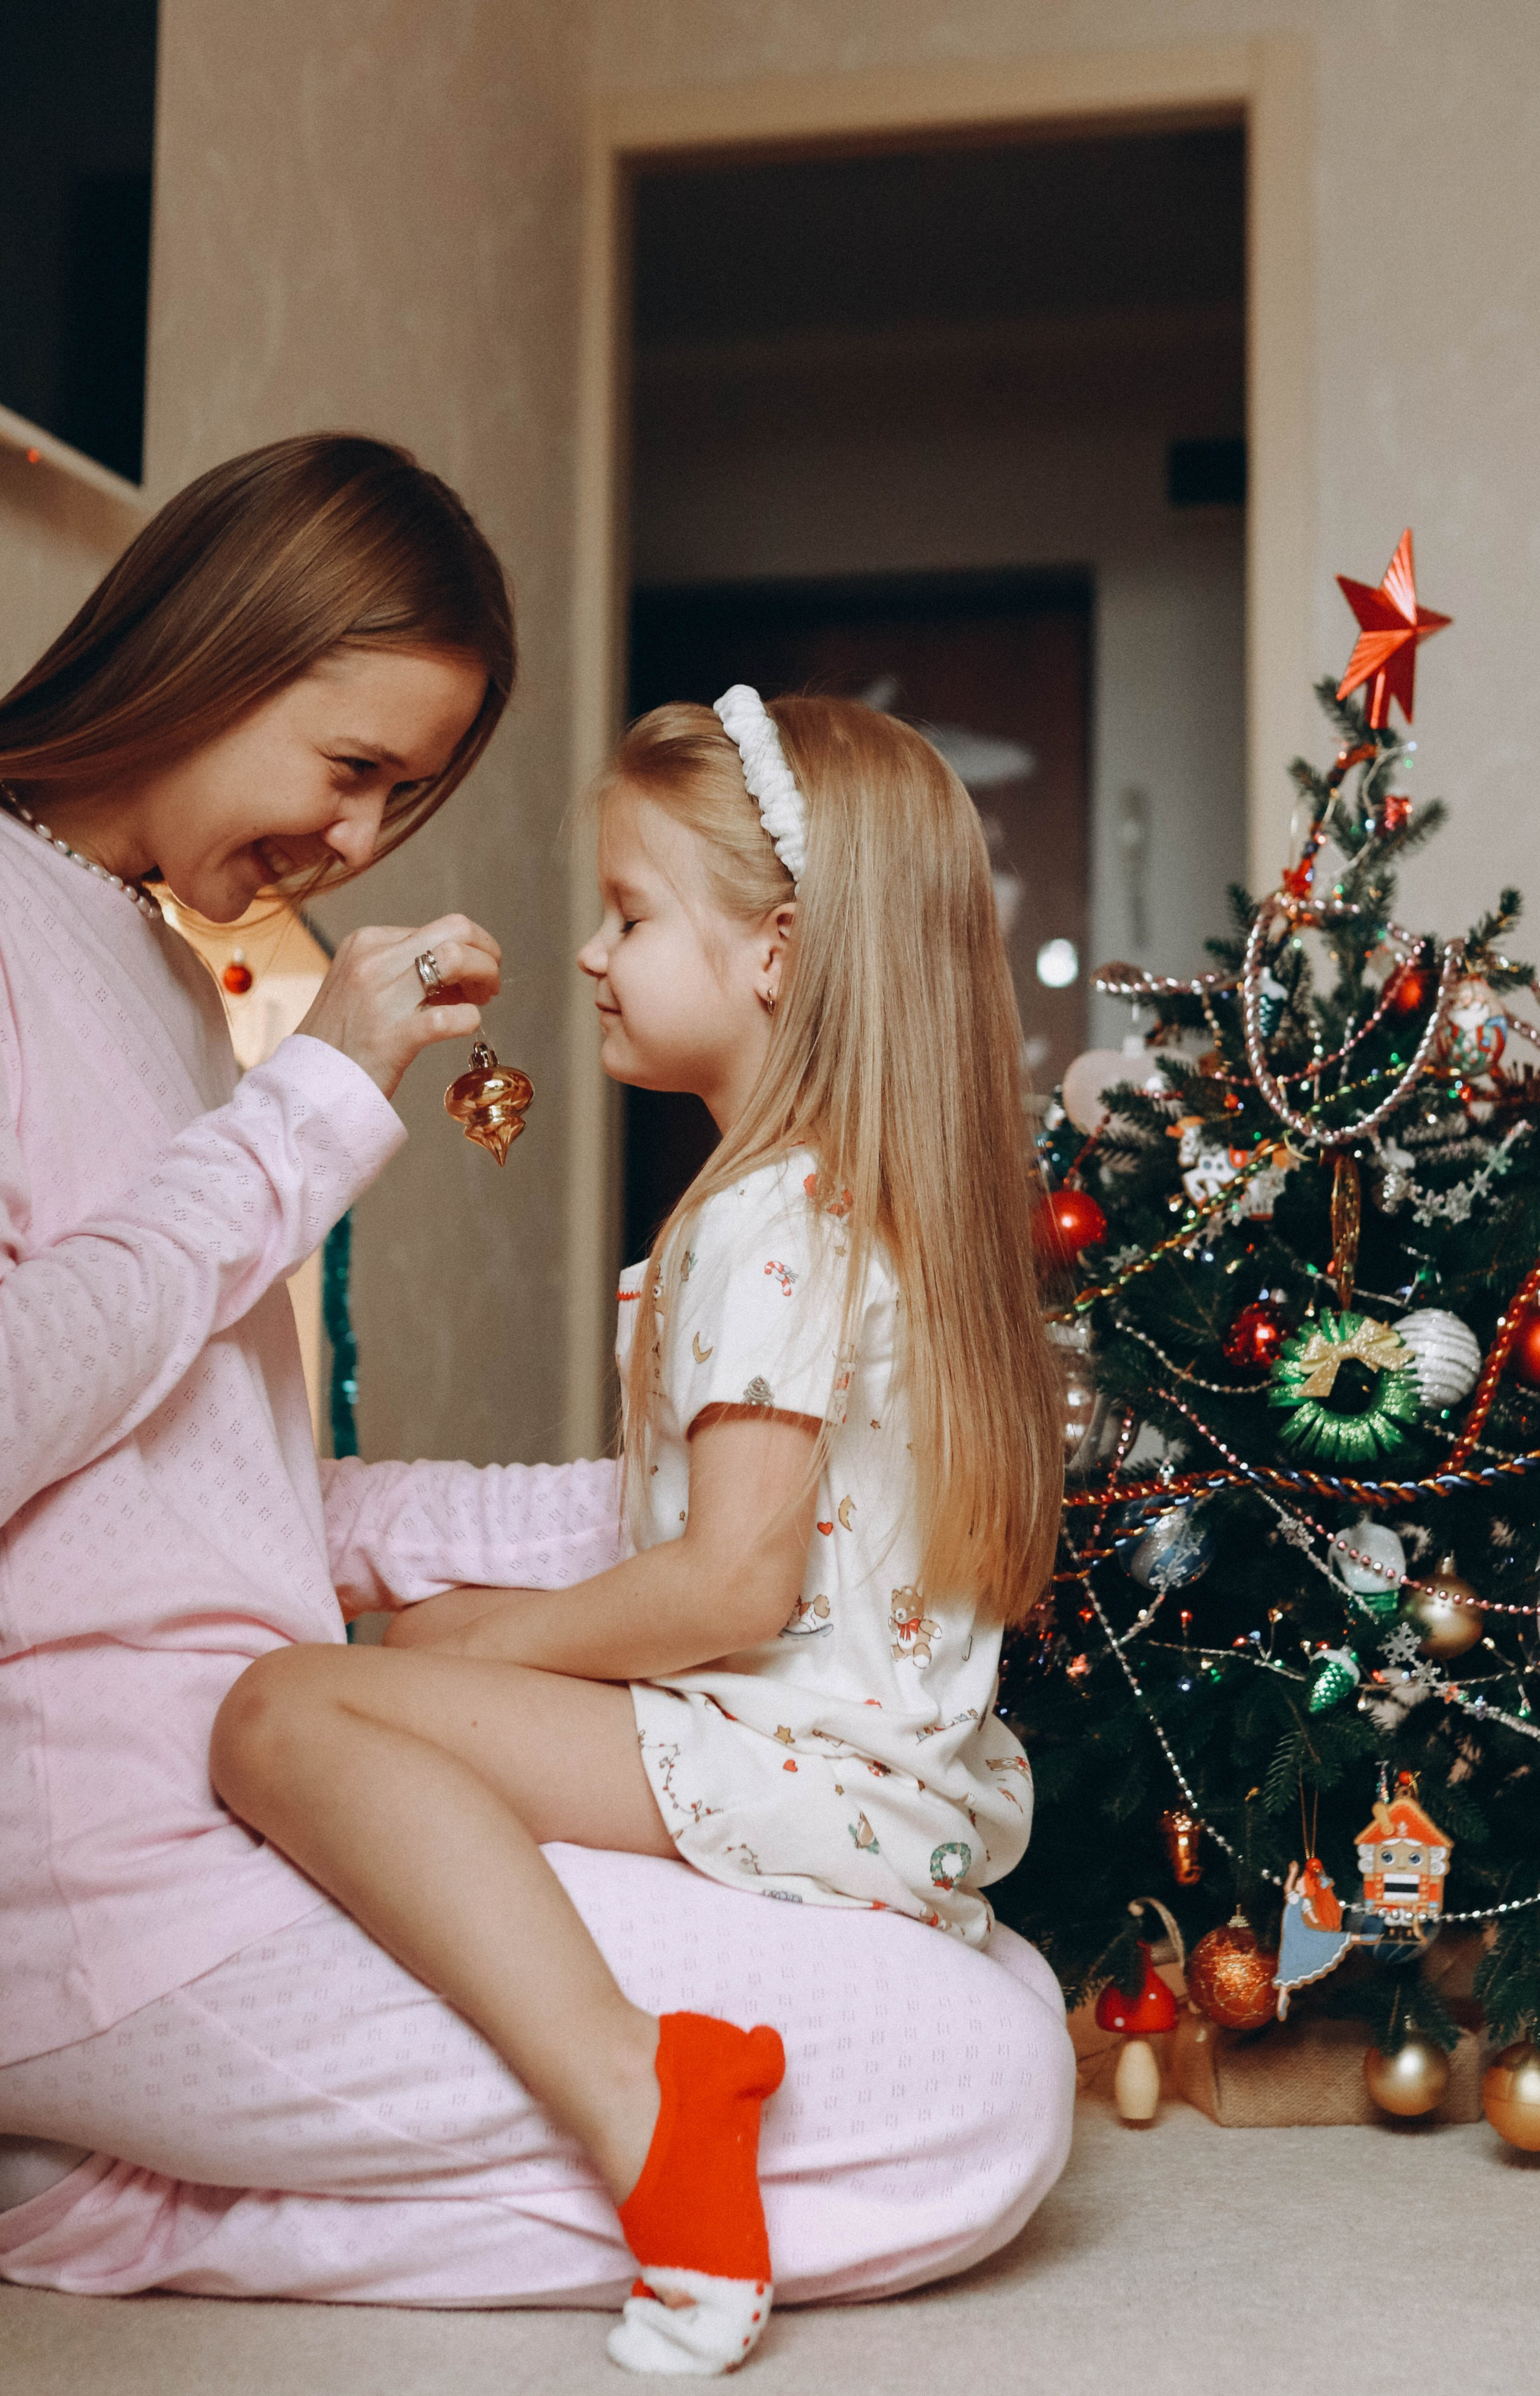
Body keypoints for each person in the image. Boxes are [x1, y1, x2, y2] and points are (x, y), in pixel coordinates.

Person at [0, 442, 1073, 2345]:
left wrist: (541, 1590)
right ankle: (203, 2171)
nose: (359, 849)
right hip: (114, 1858)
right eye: (353, 769)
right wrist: (312, 1109)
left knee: (996, 2020)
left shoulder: (159, 966)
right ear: (222, 648)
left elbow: (203, 1480)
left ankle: (132, 2184)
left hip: (244, 1771)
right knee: (981, 2092)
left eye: (401, 797)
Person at [205, 684, 1067, 2373]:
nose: (591, 955)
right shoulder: (853, 1201)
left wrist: (488, 1640)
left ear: (776, 955)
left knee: (282, 1713)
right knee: (397, 1666)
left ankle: (645, 2097)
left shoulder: (766, 1216)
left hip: (789, 1758)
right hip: (885, 1774)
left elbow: (732, 1579)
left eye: (630, 915)